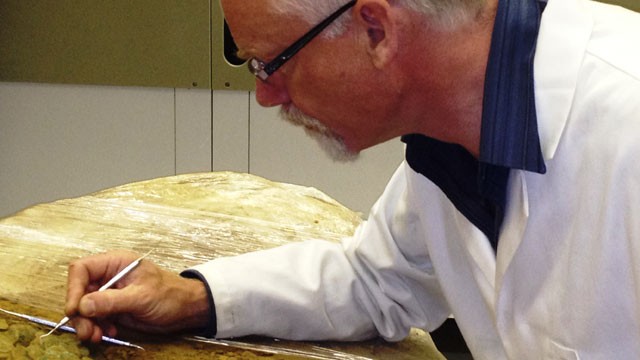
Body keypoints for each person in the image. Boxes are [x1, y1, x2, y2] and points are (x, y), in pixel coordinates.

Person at [64, 0, 640, 358]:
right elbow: (376, 280)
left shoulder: (626, 133)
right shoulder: (451, 126)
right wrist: (192, 297)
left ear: (376, 30)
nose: (267, 96)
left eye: (270, 63)